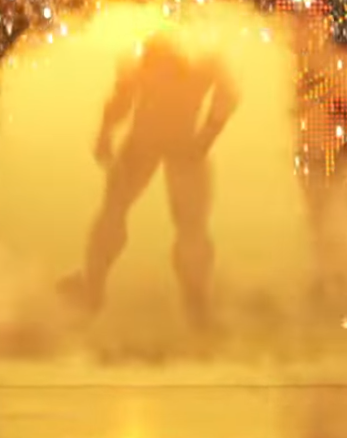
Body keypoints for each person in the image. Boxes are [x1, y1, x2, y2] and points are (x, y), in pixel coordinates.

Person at [59, 31, 239, 329]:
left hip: (172, 144)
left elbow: (228, 95)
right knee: (120, 212)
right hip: (154, 142)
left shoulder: (198, 64)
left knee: (186, 225)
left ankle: (195, 303)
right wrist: (105, 132)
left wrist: (207, 136)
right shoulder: (151, 64)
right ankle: (94, 288)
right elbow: (122, 99)